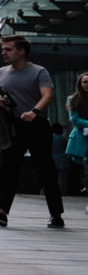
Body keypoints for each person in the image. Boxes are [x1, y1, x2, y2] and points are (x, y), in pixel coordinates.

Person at [0, 32, 63, 229]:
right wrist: (2, 103)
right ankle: (0, 213)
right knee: (8, 168)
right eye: (3, 49)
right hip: (13, 126)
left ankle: (56, 214)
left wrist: (34, 111)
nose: (4, 53)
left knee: (45, 169)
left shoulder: (39, 72)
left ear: (22, 51)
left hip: (37, 125)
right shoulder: (1, 73)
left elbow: (48, 96)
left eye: (8, 49)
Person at [62, 71, 88, 207]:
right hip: (81, 139)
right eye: (84, 82)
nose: (87, 85)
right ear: (80, 84)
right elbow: (75, 120)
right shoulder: (73, 99)